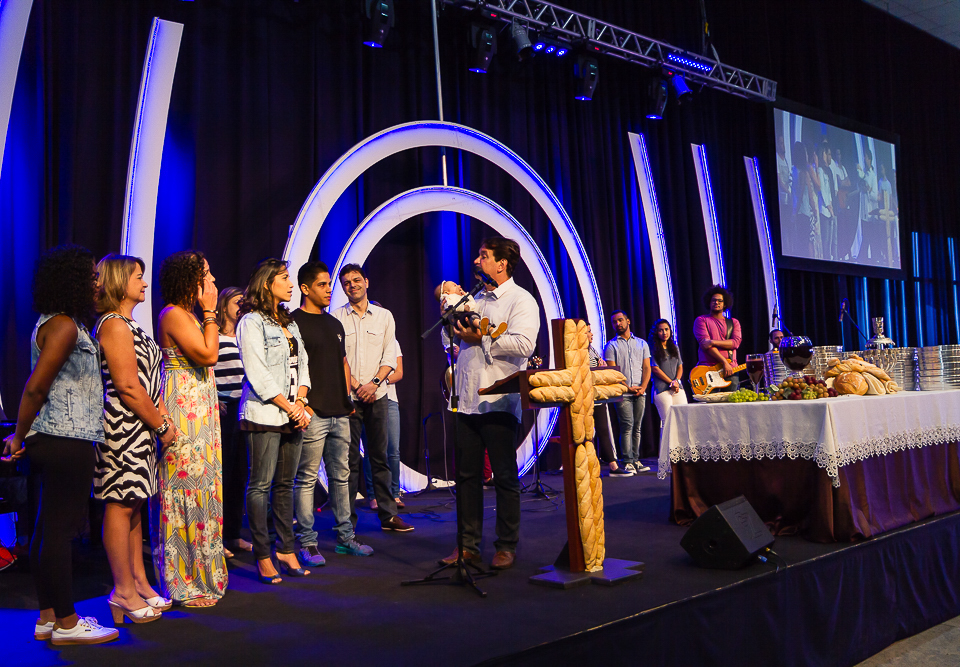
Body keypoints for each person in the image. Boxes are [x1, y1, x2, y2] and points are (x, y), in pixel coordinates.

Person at [2, 246, 119, 645]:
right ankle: (68, 622)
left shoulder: (55, 322)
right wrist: (17, 435)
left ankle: (48, 616)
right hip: (64, 437)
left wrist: (24, 435)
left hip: (54, 436)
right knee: (58, 531)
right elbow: (36, 386)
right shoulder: (65, 325)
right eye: (89, 276)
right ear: (70, 281)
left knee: (44, 529)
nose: (96, 282)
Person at [438, 237, 539, 570]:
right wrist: (449, 318)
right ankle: (467, 545)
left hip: (498, 399)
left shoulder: (521, 300)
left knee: (505, 476)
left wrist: (481, 338)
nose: (477, 261)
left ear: (502, 264)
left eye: (484, 256)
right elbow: (450, 340)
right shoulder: (474, 299)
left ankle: (506, 545)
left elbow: (524, 344)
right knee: (466, 476)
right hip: (465, 400)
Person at [94, 254, 170, 625]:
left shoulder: (130, 324)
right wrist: (160, 425)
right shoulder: (113, 324)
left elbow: (148, 381)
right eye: (138, 276)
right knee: (120, 503)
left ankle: (138, 581)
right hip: (122, 426)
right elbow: (126, 385)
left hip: (140, 425)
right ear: (119, 280)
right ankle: (121, 590)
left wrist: (156, 417)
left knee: (135, 502)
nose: (144, 282)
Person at [154, 251, 227, 606]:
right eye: (207, 275)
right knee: (186, 487)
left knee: (204, 486)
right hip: (184, 412)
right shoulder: (172, 313)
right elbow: (208, 354)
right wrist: (212, 312)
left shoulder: (187, 315)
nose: (212, 282)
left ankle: (204, 572)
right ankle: (183, 580)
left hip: (201, 410)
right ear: (190, 280)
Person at [291, 261, 373, 567]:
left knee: (342, 477)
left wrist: (348, 399)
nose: (330, 290)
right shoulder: (293, 323)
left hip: (341, 412)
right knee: (307, 478)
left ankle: (345, 538)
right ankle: (307, 543)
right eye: (323, 285)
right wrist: (304, 403)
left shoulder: (333, 323)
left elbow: (342, 363)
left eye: (329, 285)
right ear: (305, 288)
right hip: (313, 413)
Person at [237, 258, 312, 584]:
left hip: (292, 413)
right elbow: (257, 373)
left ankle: (286, 548)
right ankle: (263, 554)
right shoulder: (251, 322)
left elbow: (303, 365)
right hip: (264, 414)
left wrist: (301, 402)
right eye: (284, 277)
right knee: (261, 485)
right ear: (268, 283)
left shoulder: (290, 323)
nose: (291, 283)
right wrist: (288, 405)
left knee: (286, 485)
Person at [333, 264, 412, 533]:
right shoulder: (336, 318)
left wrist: (374, 383)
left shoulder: (384, 316)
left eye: (356, 280)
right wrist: (356, 386)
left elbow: (390, 356)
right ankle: (347, 524)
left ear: (366, 281)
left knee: (381, 457)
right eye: (346, 282)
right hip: (350, 399)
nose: (352, 285)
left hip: (378, 395)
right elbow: (338, 360)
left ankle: (389, 516)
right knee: (349, 461)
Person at [213, 286, 252, 558]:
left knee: (240, 475)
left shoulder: (245, 334)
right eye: (238, 301)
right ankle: (218, 538)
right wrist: (215, 399)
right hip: (223, 408)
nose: (242, 306)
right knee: (223, 475)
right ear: (224, 303)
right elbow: (205, 370)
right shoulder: (212, 335)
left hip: (245, 407)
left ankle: (235, 534)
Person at [603, 310, 651, 474]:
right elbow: (612, 371)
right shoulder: (611, 346)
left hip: (640, 391)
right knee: (627, 425)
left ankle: (636, 459)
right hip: (623, 393)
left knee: (637, 426)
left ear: (628, 321)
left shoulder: (642, 343)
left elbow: (646, 367)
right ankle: (627, 460)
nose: (618, 324)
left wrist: (643, 386)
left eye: (620, 320)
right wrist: (627, 387)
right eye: (614, 322)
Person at [363, 337, 405, 509]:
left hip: (389, 399)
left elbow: (399, 372)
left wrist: (380, 382)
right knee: (371, 450)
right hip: (367, 398)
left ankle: (395, 494)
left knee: (393, 450)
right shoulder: (362, 341)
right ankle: (373, 496)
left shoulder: (393, 342)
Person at [587, 325, 629, 476]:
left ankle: (612, 465)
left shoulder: (591, 349)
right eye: (588, 331)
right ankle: (590, 466)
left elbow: (598, 364)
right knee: (587, 433)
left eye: (591, 331)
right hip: (587, 398)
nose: (591, 334)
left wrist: (602, 365)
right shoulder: (578, 351)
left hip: (598, 396)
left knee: (603, 430)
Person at [693, 286, 742, 391]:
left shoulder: (734, 322)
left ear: (725, 304)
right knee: (711, 407)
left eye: (720, 301)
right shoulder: (701, 320)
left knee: (731, 405)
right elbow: (706, 346)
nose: (716, 302)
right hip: (707, 372)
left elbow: (735, 343)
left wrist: (712, 341)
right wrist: (724, 362)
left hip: (731, 370)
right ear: (709, 302)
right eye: (714, 300)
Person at [648, 319, 687, 439]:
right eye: (661, 330)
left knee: (683, 418)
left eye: (666, 329)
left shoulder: (674, 347)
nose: (664, 332)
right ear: (656, 332)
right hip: (662, 389)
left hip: (676, 387)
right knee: (668, 421)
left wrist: (676, 381)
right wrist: (671, 382)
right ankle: (666, 455)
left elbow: (680, 366)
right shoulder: (652, 348)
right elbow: (655, 368)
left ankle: (682, 453)